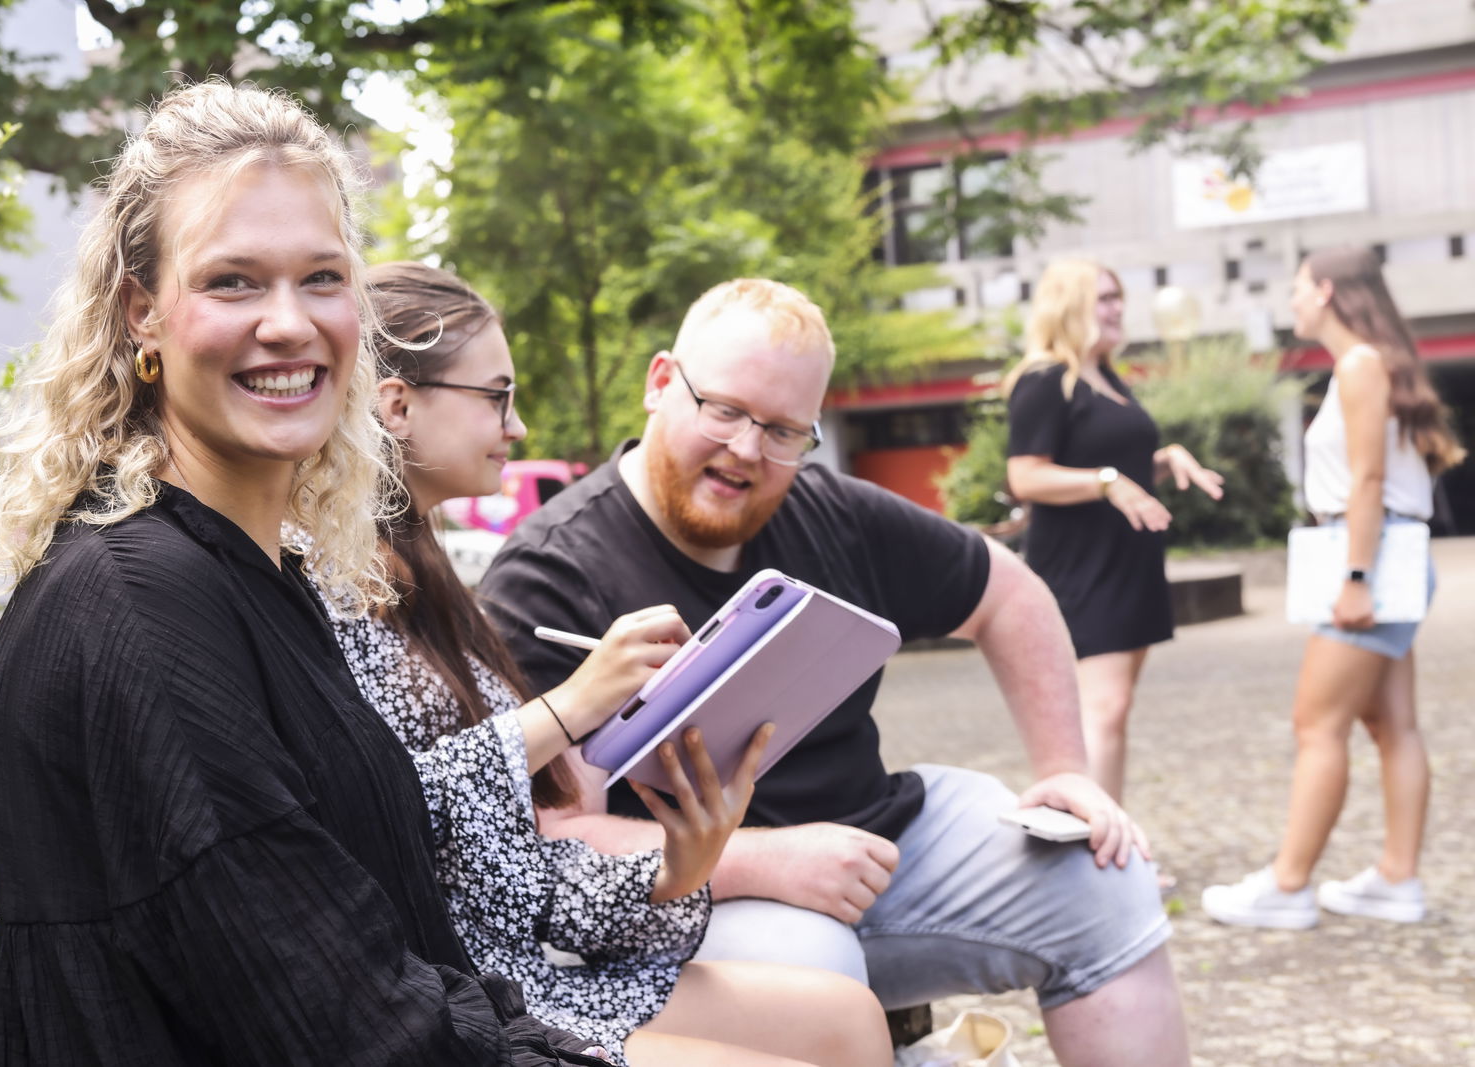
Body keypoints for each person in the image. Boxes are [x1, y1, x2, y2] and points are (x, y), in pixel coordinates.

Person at [0, 82, 612, 1064]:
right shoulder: (140, 603)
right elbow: (338, 1024)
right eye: (233, 281)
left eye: (321, 277)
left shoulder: (253, 570)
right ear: (143, 310)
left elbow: (381, 945)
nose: (289, 323)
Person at [480, 278, 1193, 1067]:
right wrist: (764, 859)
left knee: (1105, 876)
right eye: (724, 409)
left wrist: (1067, 771)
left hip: (874, 844)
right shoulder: (549, 574)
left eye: (785, 429)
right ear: (659, 384)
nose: (747, 449)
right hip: (690, 908)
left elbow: (1011, 593)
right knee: (811, 968)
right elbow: (553, 840)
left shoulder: (833, 512)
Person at [323, 260, 892, 1067]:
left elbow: (514, 877)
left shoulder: (435, 587)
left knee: (847, 1018)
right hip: (443, 1003)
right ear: (398, 404)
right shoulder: (322, 592)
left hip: (516, 977)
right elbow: (375, 814)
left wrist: (676, 865)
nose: (517, 427)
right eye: (497, 395)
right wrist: (568, 709)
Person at [1201, 247, 1464, 929]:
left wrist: (1354, 577)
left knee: (1317, 724)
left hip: (1368, 553)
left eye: (1297, 289)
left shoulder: (1358, 365)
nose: (1292, 302)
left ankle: (1288, 885)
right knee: (1390, 723)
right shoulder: (1373, 363)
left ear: (1325, 291)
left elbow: (1367, 481)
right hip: (1388, 551)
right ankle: (1396, 879)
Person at [1004, 260, 1223, 803]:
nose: (1116, 307)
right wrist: (1107, 481)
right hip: (1083, 569)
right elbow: (1025, 474)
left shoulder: (1106, 377)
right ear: (1070, 305)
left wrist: (1165, 460)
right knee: (1102, 712)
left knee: (1112, 713)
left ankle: (1107, 845)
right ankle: (1094, 849)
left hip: (1130, 567)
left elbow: (1113, 461)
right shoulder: (1045, 379)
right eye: (1103, 297)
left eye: (1118, 296)